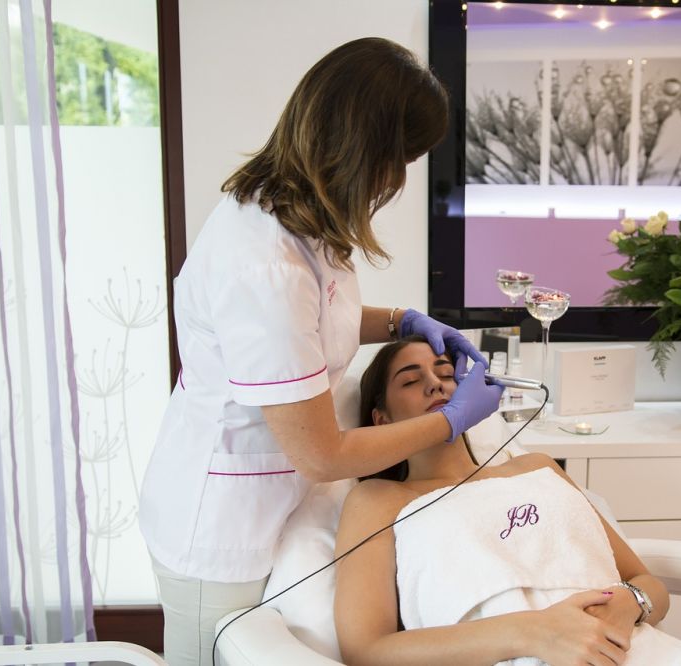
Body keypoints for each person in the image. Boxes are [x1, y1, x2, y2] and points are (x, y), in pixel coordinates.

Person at [138, 38, 503, 666]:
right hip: (222, 526)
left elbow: (313, 322)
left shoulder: (295, 218)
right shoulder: (264, 264)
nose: (397, 180)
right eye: (400, 160)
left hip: (280, 504)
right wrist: (449, 420)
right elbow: (322, 453)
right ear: (367, 151)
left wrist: (401, 321)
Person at [333, 337, 681, 666]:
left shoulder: (537, 468)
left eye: (446, 374)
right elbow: (366, 650)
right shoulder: (378, 500)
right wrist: (529, 632)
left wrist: (626, 604)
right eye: (410, 381)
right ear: (381, 419)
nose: (436, 384)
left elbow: (649, 585)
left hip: (629, 649)